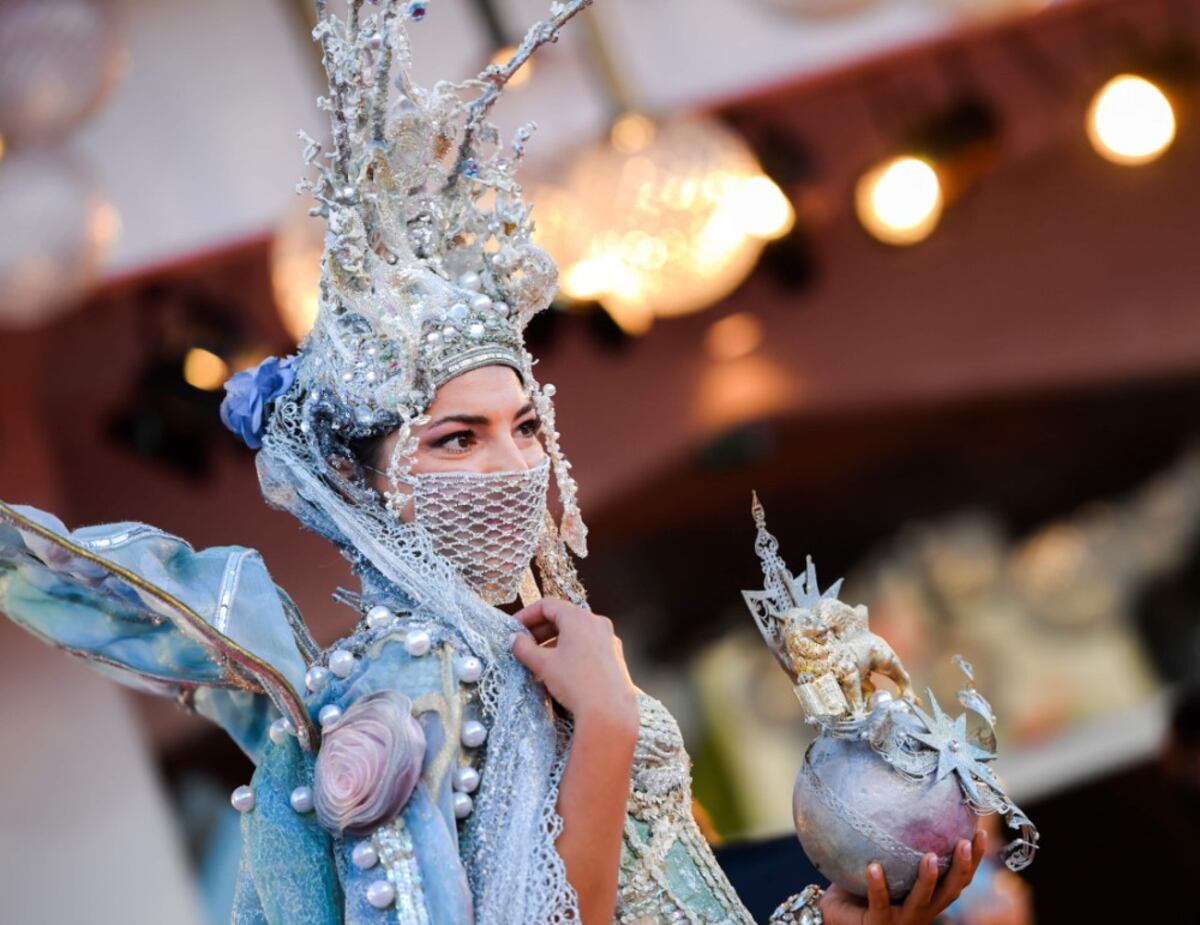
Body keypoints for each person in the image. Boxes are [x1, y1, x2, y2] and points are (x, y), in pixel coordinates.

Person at [0, 2, 984, 923]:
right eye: (456, 438)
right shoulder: (388, 688)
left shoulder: (535, 641)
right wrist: (602, 724)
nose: (510, 465)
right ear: (364, 485)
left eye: (523, 426)